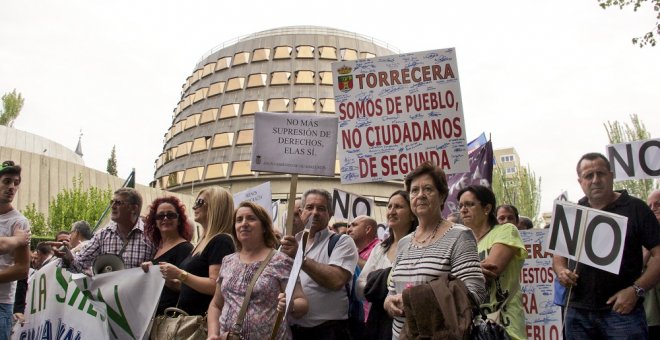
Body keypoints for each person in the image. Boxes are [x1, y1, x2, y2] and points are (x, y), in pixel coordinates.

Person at [552, 152, 660, 339]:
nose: (595, 180)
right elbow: (559, 255)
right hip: (577, 312)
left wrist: (636, 290)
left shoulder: (636, 208)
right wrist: (561, 270)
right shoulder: (573, 213)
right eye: (588, 176)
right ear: (580, 182)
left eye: (600, 174)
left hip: (623, 311)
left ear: (611, 176)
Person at [383, 161, 486, 339]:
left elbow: (473, 295)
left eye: (428, 189)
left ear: (442, 196)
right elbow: (393, 290)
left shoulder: (460, 236)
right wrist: (388, 302)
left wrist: (412, 301)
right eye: (414, 190)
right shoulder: (404, 242)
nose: (420, 195)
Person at [207, 201, 308, 339]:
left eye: (251, 218)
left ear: (264, 227)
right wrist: (213, 334)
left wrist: (290, 305)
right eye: (239, 220)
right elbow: (216, 304)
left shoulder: (281, 261)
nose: (244, 223)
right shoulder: (227, 261)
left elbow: (302, 302)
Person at [281, 188, 358, 340]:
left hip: (328, 332)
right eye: (309, 207)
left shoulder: (341, 242)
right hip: (291, 331)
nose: (314, 213)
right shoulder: (289, 243)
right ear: (302, 212)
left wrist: (300, 258)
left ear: (330, 214)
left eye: (321, 208)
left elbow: (336, 280)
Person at [458, 185, 527, 340]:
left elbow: (491, 270)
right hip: (471, 328)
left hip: (505, 326)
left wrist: (458, 272)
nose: (463, 210)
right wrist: (471, 270)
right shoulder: (462, 243)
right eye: (461, 205)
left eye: (469, 204)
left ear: (487, 208)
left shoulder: (506, 230)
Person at [158, 186, 235, 316]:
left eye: (199, 202)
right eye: (195, 203)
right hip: (187, 319)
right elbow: (190, 287)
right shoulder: (202, 241)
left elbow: (216, 286)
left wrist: (180, 274)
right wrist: (167, 280)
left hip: (201, 324)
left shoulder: (221, 241)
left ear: (215, 206)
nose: (194, 207)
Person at [357, 190, 418, 340]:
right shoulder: (380, 248)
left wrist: (378, 279)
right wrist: (382, 288)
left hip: (408, 323)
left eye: (398, 207)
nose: (391, 211)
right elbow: (359, 287)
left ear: (412, 215)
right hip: (378, 322)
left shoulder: (420, 246)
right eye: (389, 206)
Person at [52, 188, 156, 273]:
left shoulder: (152, 236)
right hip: (109, 298)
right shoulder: (102, 235)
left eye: (118, 203)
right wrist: (66, 254)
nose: (113, 206)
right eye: (112, 202)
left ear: (134, 208)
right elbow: (78, 264)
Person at [140, 196, 194, 315]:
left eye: (170, 215)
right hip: (153, 315)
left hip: (170, 317)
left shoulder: (185, 248)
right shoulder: (157, 248)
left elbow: (186, 287)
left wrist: (157, 273)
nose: (165, 219)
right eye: (160, 216)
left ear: (179, 220)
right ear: (155, 222)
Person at [0, 160, 31, 338]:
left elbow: (22, 269)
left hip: (1, 303)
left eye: (16, 182)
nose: (12, 187)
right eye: (6, 181)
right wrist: (13, 241)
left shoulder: (19, 222)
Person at [645, 189, 660, 338]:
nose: (653, 209)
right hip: (651, 315)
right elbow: (637, 266)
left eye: (658, 204)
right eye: (649, 206)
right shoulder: (642, 235)